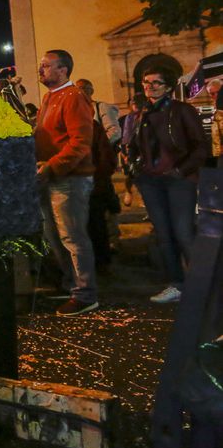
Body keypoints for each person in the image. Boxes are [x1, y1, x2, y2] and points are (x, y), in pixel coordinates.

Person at [122, 68, 209, 304]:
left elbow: (200, 146)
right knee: (164, 235)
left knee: (183, 232)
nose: (150, 87)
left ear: (169, 87)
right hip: (151, 181)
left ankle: (201, 285)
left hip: (179, 180)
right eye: (146, 83)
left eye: (156, 83)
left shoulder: (182, 111)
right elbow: (134, 145)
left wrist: (181, 170)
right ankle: (177, 284)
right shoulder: (143, 113)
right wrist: (134, 168)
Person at [34, 50, 99, 316]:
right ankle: (71, 284)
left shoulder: (73, 98)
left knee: (73, 238)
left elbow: (80, 143)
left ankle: (85, 294)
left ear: (63, 70)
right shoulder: (51, 97)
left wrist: (52, 166)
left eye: (46, 66)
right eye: (41, 65)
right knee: (55, 237)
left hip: (70, 179)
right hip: (51, 177)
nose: (41, 70)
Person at [76, 79, 121, 269]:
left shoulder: (97, 116)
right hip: (86, 180)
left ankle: (103, 259)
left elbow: (114, 133)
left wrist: (99, 175)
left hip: (94, 180)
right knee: (91, 223)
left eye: (84, 89)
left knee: (97, 221)